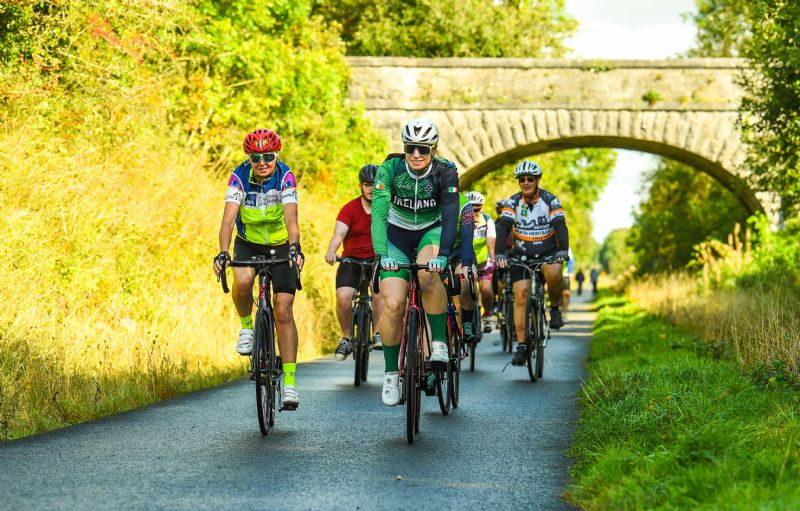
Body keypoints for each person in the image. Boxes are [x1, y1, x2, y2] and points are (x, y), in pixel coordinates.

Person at [372, 119, 461, 406]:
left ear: (433, 149)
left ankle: (438, 343)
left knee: (428, 275)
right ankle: (390, 375)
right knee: (394, 303)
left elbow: (450, 216)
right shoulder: (390, 169)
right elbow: (378, 214)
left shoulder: (445, 171)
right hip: (397, 235)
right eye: (411, 148)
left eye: (423, 149)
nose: (416, 155)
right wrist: (381, 254)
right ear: (404, 147)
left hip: (430, 231)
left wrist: (444, 255)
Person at [213, 128, 304, 408]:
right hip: (249, 242)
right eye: (255, 157)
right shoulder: (239, 176)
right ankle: (246, 327)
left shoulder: (285, 176)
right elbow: (228, 221)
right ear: (248, 158)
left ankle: (289, 383)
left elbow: (291, 220)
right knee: (241, 282)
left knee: (284, 309)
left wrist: (294, 247)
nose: (262, 162)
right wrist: (223, 252)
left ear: (276, 155)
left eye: (268, 156)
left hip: (280, 244)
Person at [495, 160, 570, 367]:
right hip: (522, 254)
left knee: (554, 273)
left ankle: (555, 309)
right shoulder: (513, 202)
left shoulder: (550, 200)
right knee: (520, 296)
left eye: (530, 179)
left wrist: (563, 249)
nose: (526, 183)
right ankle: (521, 346)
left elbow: (560, 225)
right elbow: (503, 227)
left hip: (547, 252)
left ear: (538, 180)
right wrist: (500, 253)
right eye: (522, 180)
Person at [324, 164, 385, 359]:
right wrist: (332, 250)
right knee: (343, 297)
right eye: (367, 185)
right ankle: (346, 338)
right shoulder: (349, 209)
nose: (371, 189)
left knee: (379, 295)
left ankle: (377, 334)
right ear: (360, 186)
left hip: (378, 260)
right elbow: (339, 233)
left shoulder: (386, 209)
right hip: (351, 260)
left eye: (374, 185)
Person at [465, 191, 496, 333]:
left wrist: (492, 259)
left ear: (482, 208)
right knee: (462, 289)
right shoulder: (460, 220)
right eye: (470, 209)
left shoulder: (487, 220)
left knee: (486, 289)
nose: (473, 212)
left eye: (476, 209)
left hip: (483, 261)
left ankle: (488, 315)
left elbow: (491, 242)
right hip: (465, 261)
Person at [561, 247, 575, 313]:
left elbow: (571, 260)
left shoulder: (567, 247)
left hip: (565, 275)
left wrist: (570, 272)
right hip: (551, 274)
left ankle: (564, 312)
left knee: (566, 293)